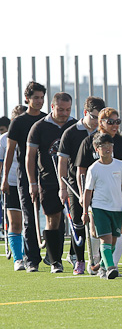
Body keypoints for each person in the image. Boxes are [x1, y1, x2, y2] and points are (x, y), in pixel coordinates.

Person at [76, 107, 122, 268]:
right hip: (97, 202)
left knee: (115, 237)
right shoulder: (89, 143)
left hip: (116, 202)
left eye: (117, 121)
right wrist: (84, 199)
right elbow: (81, 171)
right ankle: (102, 264)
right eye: (110, 122)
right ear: (101, 122)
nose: (114, 125)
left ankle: (105, 265)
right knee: (100, 235)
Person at [26, 92, 77, 273]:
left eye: (68, 109)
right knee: (52, 219)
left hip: (72, 181)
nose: (64, 113)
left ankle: (75, 256)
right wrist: (32, 183)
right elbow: (30, 157)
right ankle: (55, 261)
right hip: (48, 180)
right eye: (61, 109)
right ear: (53, 107)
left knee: (78, 219)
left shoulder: (74, 125)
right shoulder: (39, 127)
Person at [1, 81, 47, 273]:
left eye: (42, 98)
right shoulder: (18, 122)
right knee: (27, 216)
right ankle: (31, 259)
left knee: (52, 216)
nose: (39, 101)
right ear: (27, 99)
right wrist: (4, 179)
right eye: (36, 97)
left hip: (46, 175)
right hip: (24, 175)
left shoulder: (47, 120)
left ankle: (54, 258)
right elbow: (10, 152)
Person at [58, 96, 106, 274]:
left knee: (99, 223)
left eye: (99, 119)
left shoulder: (103, 133)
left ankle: (99, 259)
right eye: (93, 117)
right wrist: (62, 187)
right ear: (85, 113)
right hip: (75, 184)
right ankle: (79, 260)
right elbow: (62, 162)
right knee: (79, 221)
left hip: (100, 185)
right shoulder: (71, 133)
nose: (96, 122)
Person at [82, 133, 122, 280]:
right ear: (97, 149)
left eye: (110, 145)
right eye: (104, 146)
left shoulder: (120, 165)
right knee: (106, 238)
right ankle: (111, 267)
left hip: (116, 208)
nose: (108, 148)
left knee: (114, 240)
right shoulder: (93, 168)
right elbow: (88, 191)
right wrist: (85, 211)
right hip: (99, 208)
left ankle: (102, 267)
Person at [0, 105, 27, 270]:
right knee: (15, 222)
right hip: (12, 184)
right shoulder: (4, 140)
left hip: (30, 183)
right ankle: (18, 258)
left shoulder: (34, 135)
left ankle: (29, 255)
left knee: (29, 223)